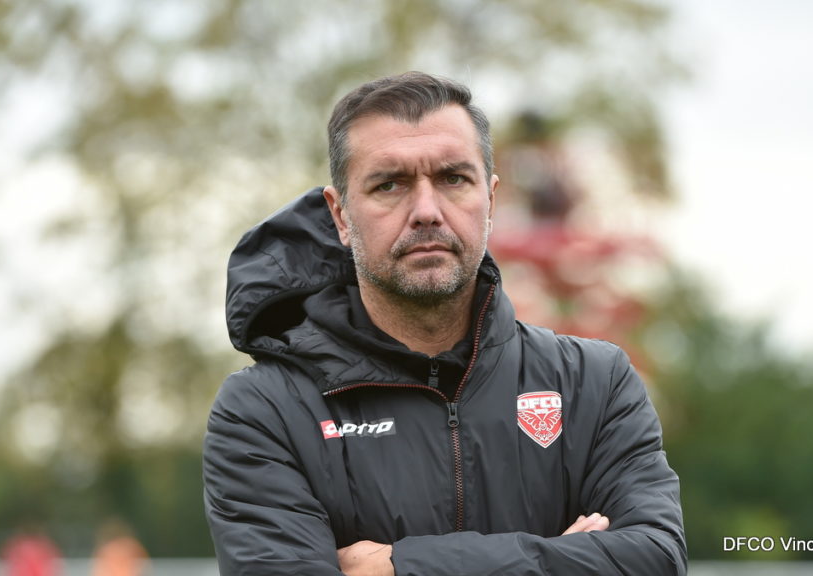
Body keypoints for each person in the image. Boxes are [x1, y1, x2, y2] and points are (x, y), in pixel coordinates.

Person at [203, 71, 686, 575]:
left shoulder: (595, 383)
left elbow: (655, 559)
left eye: (453, 179)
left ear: (491, 200)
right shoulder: (266, 411)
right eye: (389, 184)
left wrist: (398, 567)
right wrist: (561, 559)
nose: (427, 210)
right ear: (340, 215)